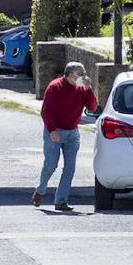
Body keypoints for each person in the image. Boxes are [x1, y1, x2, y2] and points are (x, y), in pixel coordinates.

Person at [33, 61, 97, 211]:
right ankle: (40, 190)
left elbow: (93, 107)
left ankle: (61, 201)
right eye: (80, 74)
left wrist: (89, 89)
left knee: (70, 167)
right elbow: (46, 111)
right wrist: (52, 130)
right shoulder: (55, 86)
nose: (84, 77)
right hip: (55, 131)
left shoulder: (82, 88)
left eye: (84, 74)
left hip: (73, 132)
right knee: (51, 164)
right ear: (70, 75)